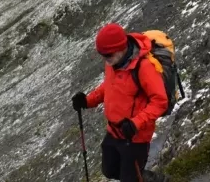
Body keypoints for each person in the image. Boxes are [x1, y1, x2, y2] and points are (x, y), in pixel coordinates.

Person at [72, 24, 169, 182]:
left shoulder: (144, 67)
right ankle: (143, 177)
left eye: (107, 55)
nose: (105, 59)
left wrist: (136, 123)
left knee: (129, 179)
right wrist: (87, 101)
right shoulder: (113, 62)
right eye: (102, 55)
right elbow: (109, 86)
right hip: (114, 131)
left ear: (121, 48)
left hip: (135, 137)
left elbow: (160, 101)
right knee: (109, 170)